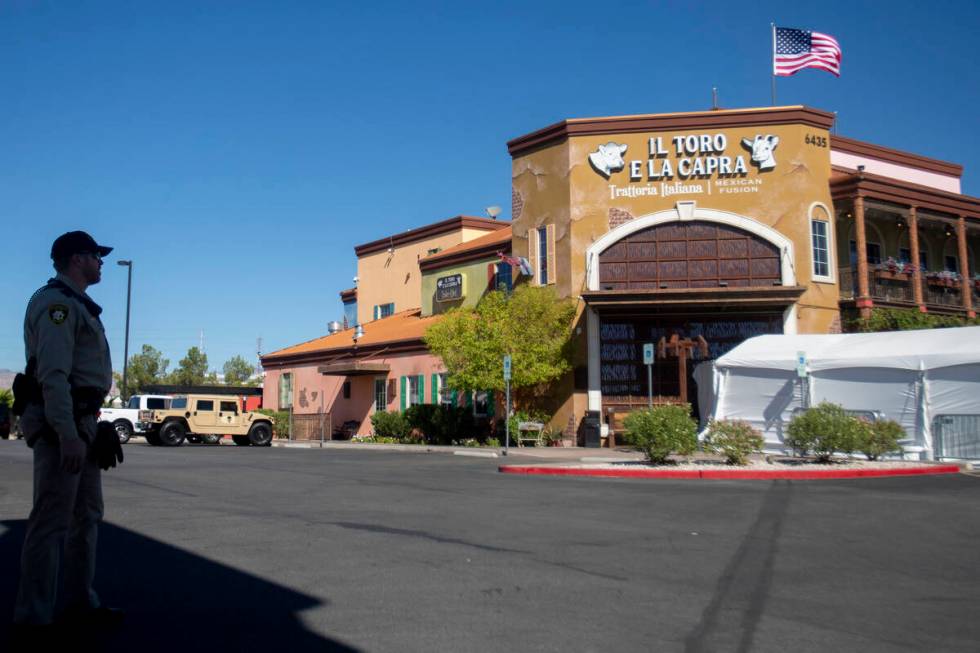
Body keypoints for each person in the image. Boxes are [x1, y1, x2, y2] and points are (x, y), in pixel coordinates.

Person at [11, 231, 123, 643]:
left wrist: (91, 427)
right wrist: (68, 434)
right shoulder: (57, 304)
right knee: (51, 522)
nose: (102, 262)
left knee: (86, 516)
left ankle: (80, 602)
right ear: (77, 259)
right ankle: (33, 618)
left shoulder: (78, 305)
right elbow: (53, 376)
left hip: (83, 422)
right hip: (65, 425)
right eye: (97, 256)